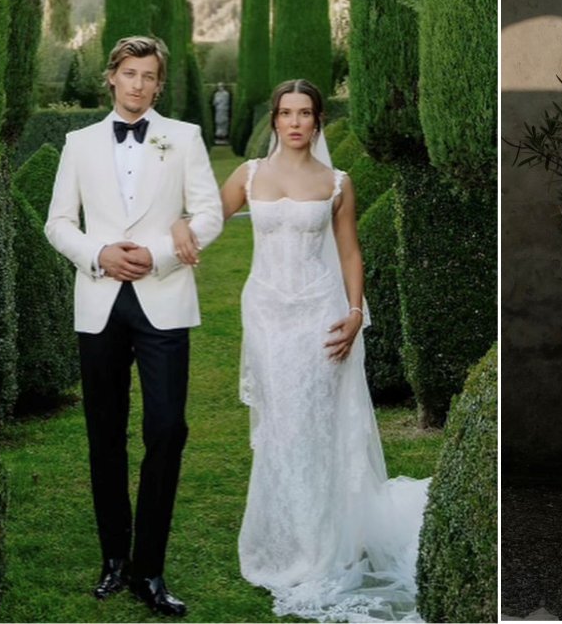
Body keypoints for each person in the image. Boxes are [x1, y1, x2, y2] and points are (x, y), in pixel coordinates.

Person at [173, 78, 429, 622]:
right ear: (274, 120)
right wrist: (179, 224)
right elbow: (208, 225)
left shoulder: (338, 182)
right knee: (281, 426)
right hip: (266, 314)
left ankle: (320, 545)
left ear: (317, 121)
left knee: (315, 424)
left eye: (305, 113)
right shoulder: (248, 175)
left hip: (319, 315)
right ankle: (282, 540)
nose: (294, 122)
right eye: (285, 112)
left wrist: (356, 314)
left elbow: (351, 253)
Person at [45, 35, 224, 617]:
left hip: (163, 301)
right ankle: (114, 561)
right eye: (129, 73)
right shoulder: (78, 142)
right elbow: (58, 222)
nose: (138, 84)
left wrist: (161, 255)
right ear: (111, 77)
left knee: (167, 430)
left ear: (158, 83)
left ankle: (150, 569)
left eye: (149, 75)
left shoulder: (186, 137)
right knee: (104, 434)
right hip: (99, 301)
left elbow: (210, 212)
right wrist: (100, 253)